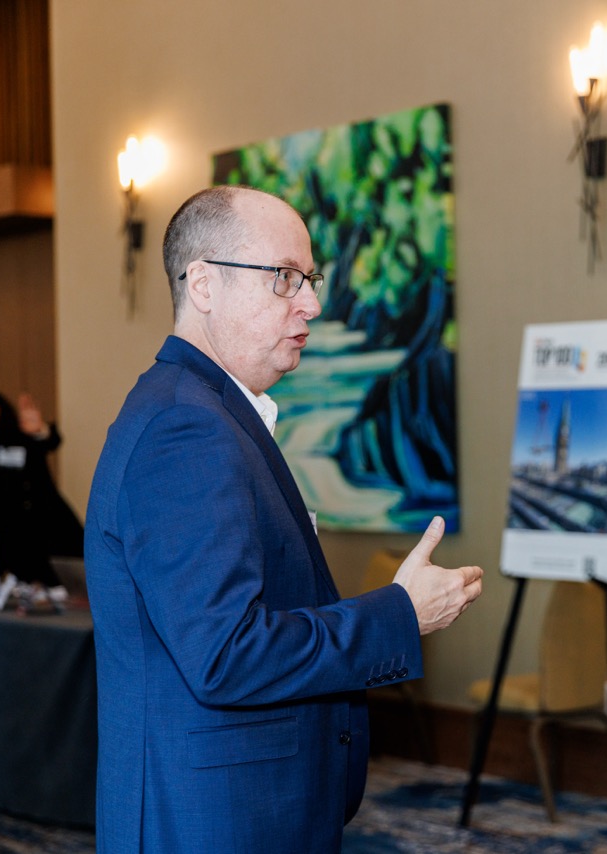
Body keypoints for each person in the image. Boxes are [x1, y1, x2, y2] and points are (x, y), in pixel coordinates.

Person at [85, 185, 483, 853]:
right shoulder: (187, 428)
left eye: (309, 279)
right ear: (203, 284)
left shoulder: (204, 411)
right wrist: (399, 613)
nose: (311, 304)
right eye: (284, 278)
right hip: (215, 824)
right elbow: (225, 654)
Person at [0, 387, 83, 587]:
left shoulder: (22, 440)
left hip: (50, 534)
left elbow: (51, 441)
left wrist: (40, 431)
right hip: (10, 545)